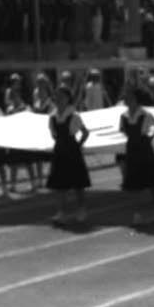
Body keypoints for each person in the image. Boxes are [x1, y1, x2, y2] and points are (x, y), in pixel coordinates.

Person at [120, 84, 154, 226]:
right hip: (132, 150)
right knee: (135, 185)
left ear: (135, 98)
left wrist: (150, 136)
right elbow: (123, 130)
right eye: (126, 97)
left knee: (153, 183)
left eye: (129, 96)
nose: (126, 99)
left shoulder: (145, 114)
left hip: (145, 150)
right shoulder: (123, 116)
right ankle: (137, 214)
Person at [47, 84, 91, 226]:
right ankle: (60, 212)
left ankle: (82, 209)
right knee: (59, 184)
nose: (58, 99)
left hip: (72, 151)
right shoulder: (52, 117)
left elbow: (85, 132)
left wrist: (78, 145)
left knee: (78, 183)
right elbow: (54, 135)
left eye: (62, 96)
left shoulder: (74, 115)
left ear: (68, 98)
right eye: (56, 96)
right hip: (59, 150)